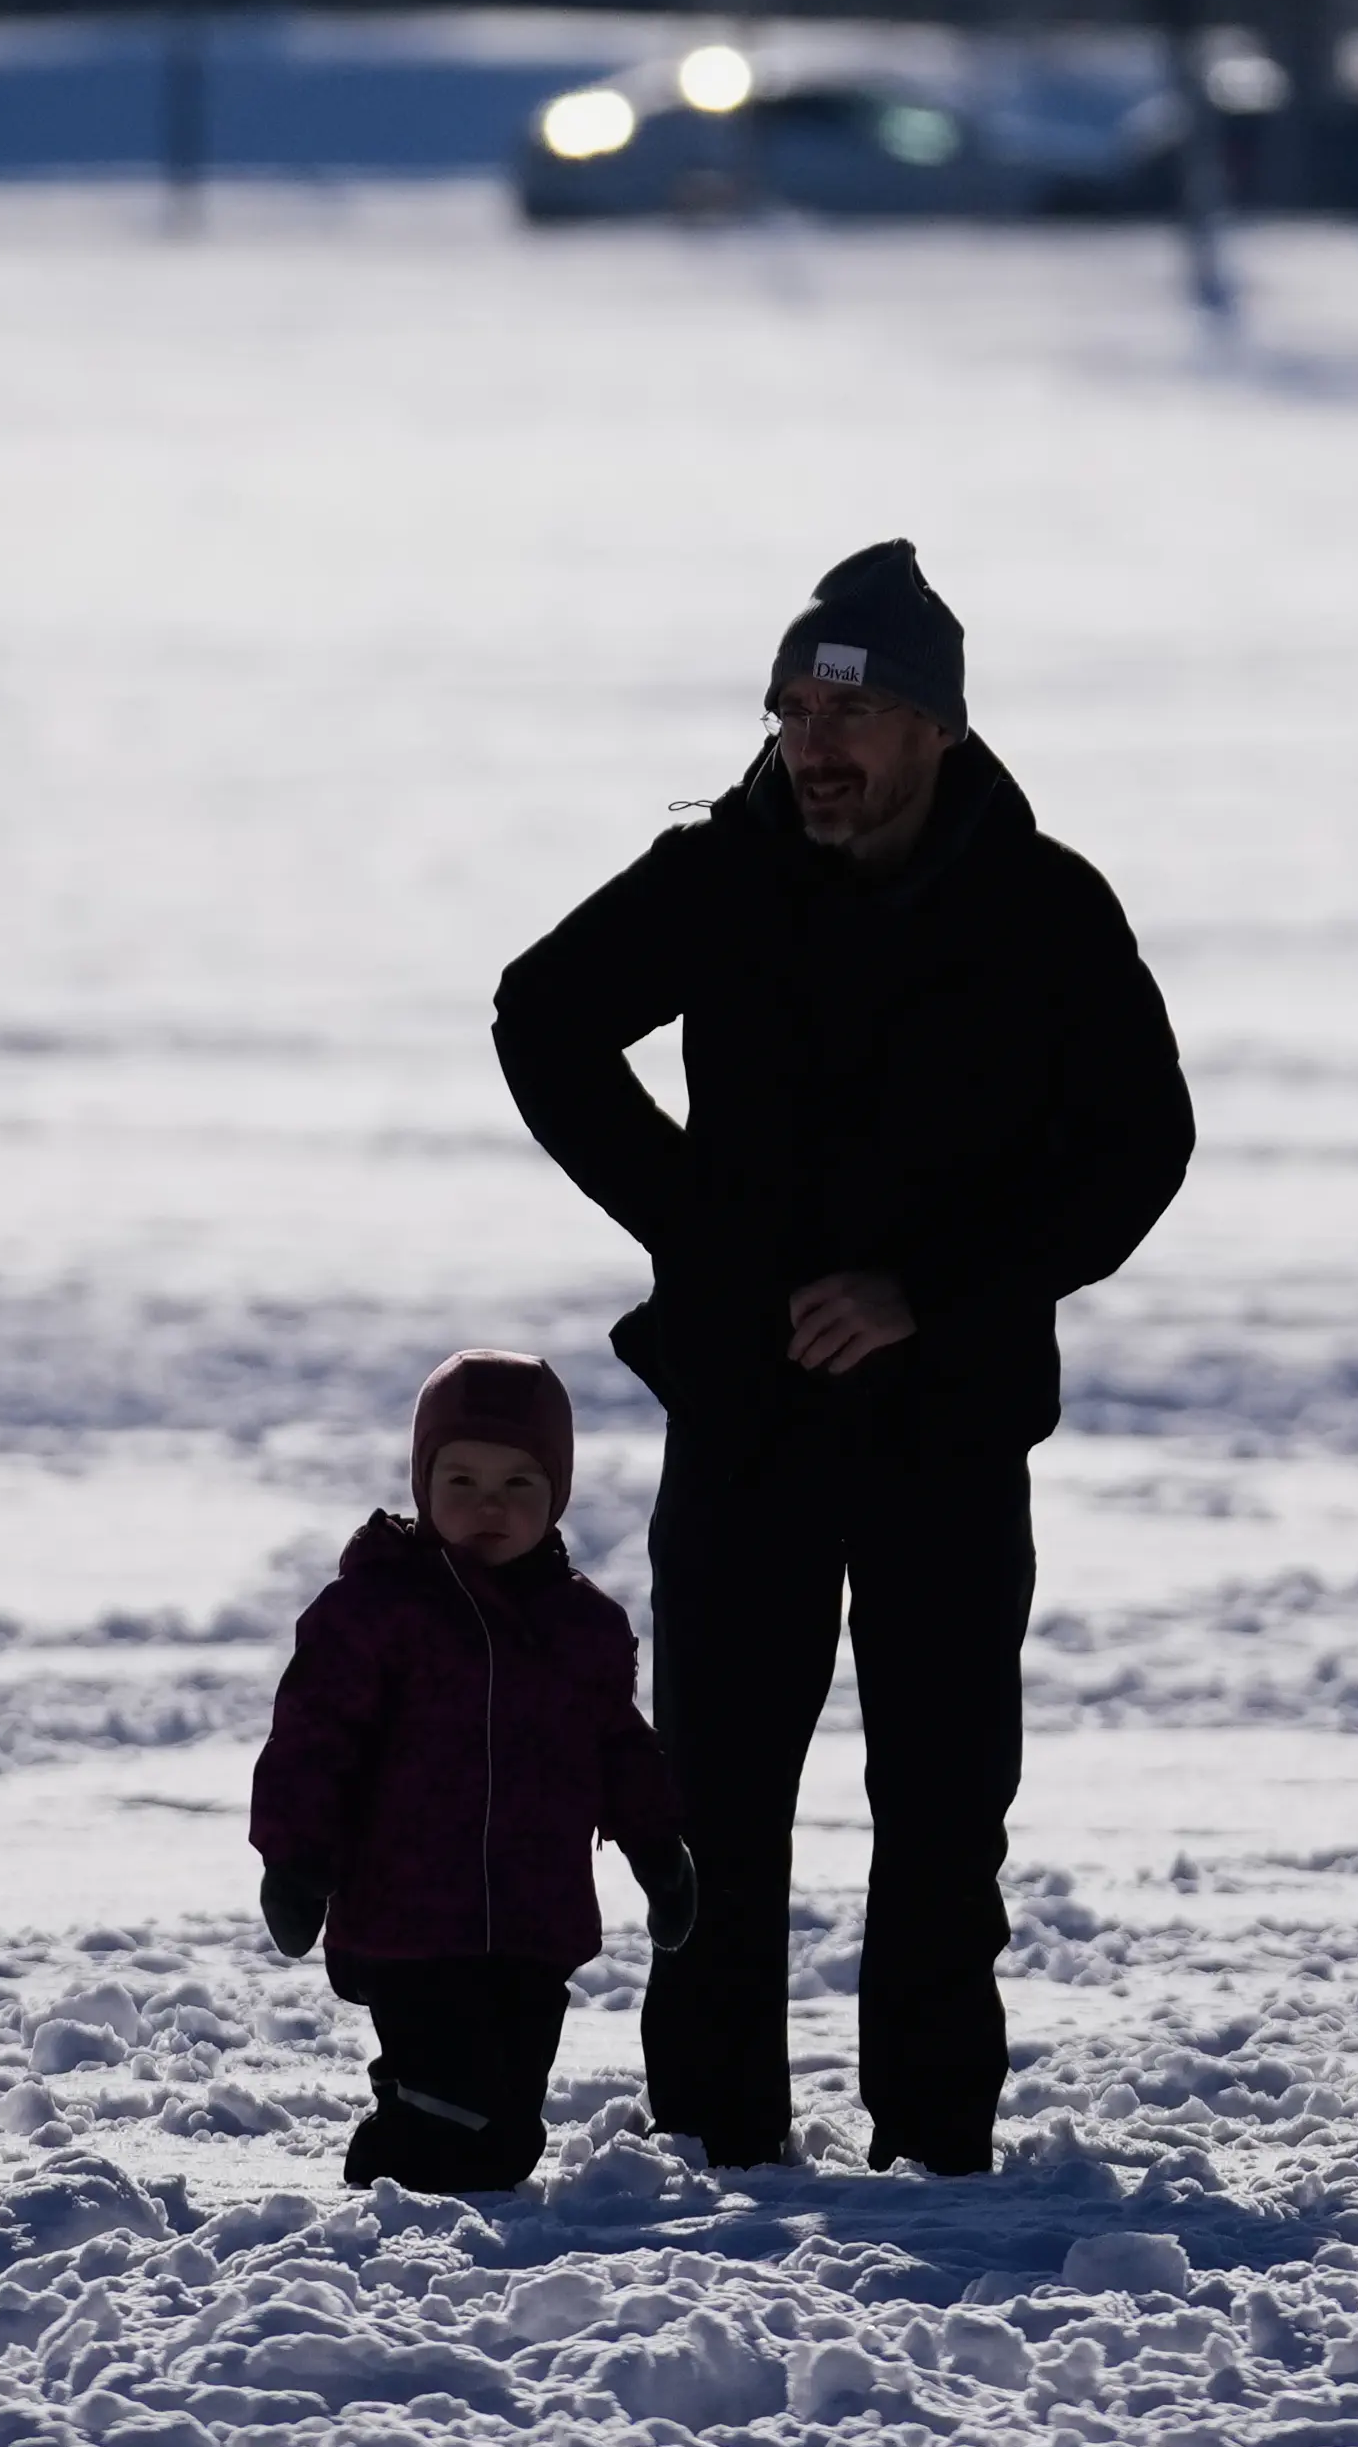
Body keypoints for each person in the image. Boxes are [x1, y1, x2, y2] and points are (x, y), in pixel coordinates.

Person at [494, 543, 1191, 2177]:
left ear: (936, 727)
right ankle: (714, 2132)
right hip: (749, 1413)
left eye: (849, 714)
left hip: (949, 1423)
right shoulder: (721, 874)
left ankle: (935, 2145)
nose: (813, 745)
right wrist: (703, 1229)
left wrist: (928, 1290)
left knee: (943, 1805)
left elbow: (1137, 1146)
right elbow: (541, 1016)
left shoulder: (1041, 904)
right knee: (711, 1804)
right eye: (790, 710)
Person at [247, 1351, 694, 2195]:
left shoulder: (583, 1626)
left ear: (556, 1491)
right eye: (462, 1480)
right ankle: (388, 2184)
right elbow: (312, 1741)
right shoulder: (373, 1611)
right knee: (452, 2112)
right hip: (407, 1917)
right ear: (423, 1484)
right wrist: (295, 1860)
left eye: (518, 1482)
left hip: (535, 1919)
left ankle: (419, 2149)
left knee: (507, 2129)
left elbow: (620, 1746)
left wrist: (656, 1848)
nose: (489, 1504)